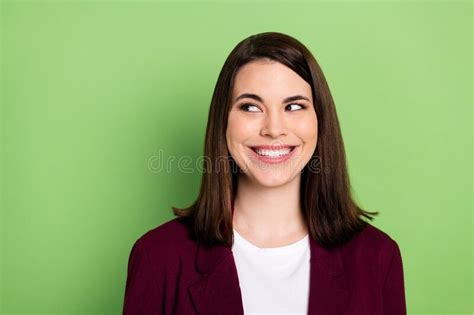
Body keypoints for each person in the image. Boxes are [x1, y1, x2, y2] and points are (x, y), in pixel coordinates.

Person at [122, 32, 406, 315]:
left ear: (320, 120)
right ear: (224, 122)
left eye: (294, 106)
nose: (273, 128)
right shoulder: (157, 257)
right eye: (251, 107)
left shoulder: (378, 257)